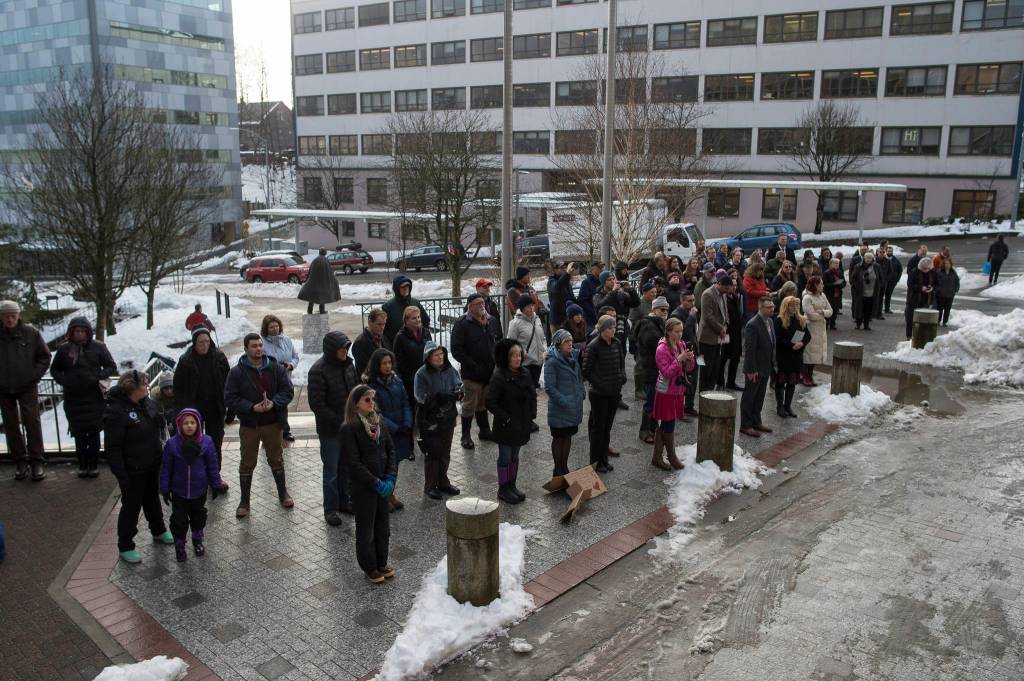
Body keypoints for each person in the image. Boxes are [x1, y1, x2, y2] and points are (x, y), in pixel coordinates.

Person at [104, 370, 174, 563]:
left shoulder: (147, 403)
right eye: (144, 384)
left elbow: (156, 424)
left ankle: (158, 530)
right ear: (132, 389)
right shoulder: (116, 412)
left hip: (152, 464)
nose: (147, 386)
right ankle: (125, 545)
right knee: (131, 507)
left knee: (152, 500)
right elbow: (113, 448)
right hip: (132, 469)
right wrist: (121, 475)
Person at [224, 333, 295, 519]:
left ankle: (283, 493)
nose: (258, 349)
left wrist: (274, 403)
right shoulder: (237, 372)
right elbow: (230, 397)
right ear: (246, 349)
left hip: (272, 423)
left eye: (260, 345)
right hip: (250, 425)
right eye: (254, 346)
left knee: (276, 459)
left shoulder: (275, 368)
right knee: (247, 462)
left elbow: (288, 391)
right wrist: (250, 407)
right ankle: (244, 501)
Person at [340, 384, 397, 585]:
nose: (371, 403)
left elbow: (391, 451)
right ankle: (369, 567)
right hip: (364, 488)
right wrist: (374, 482)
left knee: (383, 527)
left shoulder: (379, 422)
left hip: (382, 482)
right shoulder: (349, 428)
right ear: (356, 404)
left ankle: (381, 563)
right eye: (367, 399)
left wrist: (390, 477)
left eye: (372, 399)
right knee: (366, 530)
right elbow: (353, 462)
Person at [50, 316, 117, 478]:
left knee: (94, 433)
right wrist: (65, 381)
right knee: (78, 434)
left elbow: (111, 366)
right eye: (76, 331)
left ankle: (93, 465)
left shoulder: (98, 347)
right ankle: (82, 464)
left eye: (82, 331)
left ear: (87, 332)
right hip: (73, 399)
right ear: (71, 332)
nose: (79, 334)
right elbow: (55, 370)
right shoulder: (64, 349)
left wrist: (97, 377)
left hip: (94, 397)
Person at [307, 331, 360, 525]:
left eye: (347, 347)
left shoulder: (349, 365)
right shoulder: (318, 371)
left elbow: (355, 391)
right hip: (330, 430)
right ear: (332, 350)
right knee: (331, 471)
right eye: (342, 348)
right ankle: (330, 509)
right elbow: (317, 405)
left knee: (346, 467)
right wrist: (340, 421)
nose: (345, 351)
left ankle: (344, 502)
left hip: (349, 427)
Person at [159, 408, 222, 562]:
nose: (189, 426)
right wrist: (165, 488)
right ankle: (180, 545)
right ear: (179, 425)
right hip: (179, 492)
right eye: (185, 423)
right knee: (178, 521)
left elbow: (212, 465)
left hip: (198, 490)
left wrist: (215, 484)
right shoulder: (172, 444)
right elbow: (166, 468)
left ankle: (197, 540)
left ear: (198, 424)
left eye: (192, 423)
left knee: (198, 517)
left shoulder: (206, 442)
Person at [173, 326, 230, 492]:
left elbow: (228, 382)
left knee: (215, 442)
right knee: (192, 441)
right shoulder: (186, 361)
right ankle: (194, 475)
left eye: (206, 341)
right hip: (193, 407)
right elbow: (178, 388)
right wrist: (180, 411)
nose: (204, 345)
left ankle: (215, 476)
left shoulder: (219, 357)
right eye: (200, 343)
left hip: (215, 406)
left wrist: (230, 407)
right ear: (194, 343)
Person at [0, 300, 51, 481]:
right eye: (6, 316)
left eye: (13, 316)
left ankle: (36, 461)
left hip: (27, 386)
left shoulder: (31, 333)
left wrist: (33, 376)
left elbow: (45, 357)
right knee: (11, 425)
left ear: (18, 315)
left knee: (32, 422)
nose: (10, 319)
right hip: (4, 388)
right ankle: (20, 461)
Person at [486, 339, 536, 504]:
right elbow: (490, 402)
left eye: (519, 355)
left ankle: (512, 486)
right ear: (506, 357)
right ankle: (503, 489)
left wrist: (532, 414)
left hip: (521, 424)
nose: (517, 358)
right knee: (505, 458)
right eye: (513, 355)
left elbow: (532, 395)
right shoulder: (499, 376)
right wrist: (506, 417)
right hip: (506, 426)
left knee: (515, 457)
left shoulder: (525, 373)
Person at [364, 348, 411, 512]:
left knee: (393, 464)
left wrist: (407, 423)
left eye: (389, 362)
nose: (387, 366)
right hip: (383, 432)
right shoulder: (371, 384)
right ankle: (383, 497)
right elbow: (375, 411)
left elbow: (406, 403)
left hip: (399, 431)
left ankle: (390, 494)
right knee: (382, 465)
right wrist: (394, 427)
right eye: (384, 363)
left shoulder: (397, 380)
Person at [451, 293, 501, 448]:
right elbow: (456, 350)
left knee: (483, 403)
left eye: (483, 303)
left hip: (489, 372)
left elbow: (496, 341)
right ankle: (465, 436)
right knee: (469, 405)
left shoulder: (490, 321)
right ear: (470, 306)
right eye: (478, 303)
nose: (482, 306)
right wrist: (472, 365)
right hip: (472, 373)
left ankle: (484, 430)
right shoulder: (462, 324)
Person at [414, 342, 462, 500]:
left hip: (448, 417)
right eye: (436, 355)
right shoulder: (421, 374)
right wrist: (437, 397)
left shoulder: (450, 369)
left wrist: (458, 393)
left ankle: (443, 482)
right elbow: (419, 396)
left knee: (445, 452)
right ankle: (430, 486)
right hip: (430, 419)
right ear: (428, 357)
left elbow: (459, 386)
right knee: (433, 453)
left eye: (441, 354)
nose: (440, 357)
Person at [582, 316, 626, 474]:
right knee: (598, 429)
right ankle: (595, 461)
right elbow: (586, 370)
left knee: (607, 428)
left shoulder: (617, 343)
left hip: (613, 392)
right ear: (602, 330)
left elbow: (621, 363)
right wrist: (600, 384)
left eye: (614, 327)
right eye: (610, 328)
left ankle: (604, 459)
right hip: (599, 394)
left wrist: (622, 377)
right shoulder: (593, 346)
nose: (613, 330)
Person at [651, 318, 694, 471]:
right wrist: (679, 359)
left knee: (667, 424)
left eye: (681, 331)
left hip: (677, 390)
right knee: (668, 424)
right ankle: (671, 456)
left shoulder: (681, 344)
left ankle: (657, 457)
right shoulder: (661, 349)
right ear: (668, 332)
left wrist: (690, 360)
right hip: (666, 391)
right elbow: (667, 373)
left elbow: (688, 369)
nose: (680, 334)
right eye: (676, 331)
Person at [543, 330, 585, 477]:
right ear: (558, 344)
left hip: (573, 407)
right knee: (559, 438)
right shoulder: (552, 361)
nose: (570, 344)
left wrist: (581, 393)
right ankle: (557, 470)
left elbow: (579, 378)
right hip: (560, 409)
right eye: (566, 341)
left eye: (571, 340)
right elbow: (549, 387)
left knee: (568, 437)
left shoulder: (573, 357)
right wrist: (564, 401)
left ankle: (564, 467)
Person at [632, 296, 669, 443]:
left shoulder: (659, 323)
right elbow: (654, 345)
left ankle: (653, 428)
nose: (665, 312)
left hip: (656, 368)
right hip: (650, 368)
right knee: (651, 400)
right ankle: (645, 430)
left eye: (666, 309)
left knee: (656, 399)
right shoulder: (649, 325)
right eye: (662, 309)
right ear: (654, 309)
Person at [740, 298, 777, 438]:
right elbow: (749, 349)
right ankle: (745, 425)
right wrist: (751, 369)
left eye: (773, 306)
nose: (772, 309)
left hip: (766, 366)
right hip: (755, 368)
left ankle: (756, 421)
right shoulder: (753, 324)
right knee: (749, 397)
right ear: (760, 308)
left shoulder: (770, 321)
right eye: (769, 307)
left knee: (760, 396)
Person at [260, 315, 299, 442]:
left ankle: (285, 430)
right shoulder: (262, 342)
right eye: (271, 327)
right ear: (266, 328)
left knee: (282, 404)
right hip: (269, 379)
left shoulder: (286, 340)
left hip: (285, 378)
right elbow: (261, 360)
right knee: (271, 404)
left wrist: (291, 365)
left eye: (276, 326)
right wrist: (276, 367)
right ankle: (269, 431)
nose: (275, 329)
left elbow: (295, 356)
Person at [697, 276, 733, 394]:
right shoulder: (708, 294)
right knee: (705, 369)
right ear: (719, 284)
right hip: (706, 338)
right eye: (726, 288)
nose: (727, 291)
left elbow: (725, 312)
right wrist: (720, 329)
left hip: (718, 338)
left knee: (715, 368)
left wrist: (725, 325)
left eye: (729, 289)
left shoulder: (723, 294)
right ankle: (703, 394)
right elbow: (707, 316)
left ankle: (710, 393)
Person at [774, 297, 809, 418]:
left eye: (796, 305)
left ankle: (788, 406)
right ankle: (780, 406)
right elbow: (778, 339)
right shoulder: (779, 320)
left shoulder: (800, 319)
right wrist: (791, 345)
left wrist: (802, 343)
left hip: (796, 356)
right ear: (786, 306)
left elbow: (808, 336)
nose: (794, 308)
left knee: (792, 382)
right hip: (783, 355)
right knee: (781, 381)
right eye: (792, 305)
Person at [393, 306, 431, 412]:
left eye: (419, 317)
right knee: (414, 408)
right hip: (410, 380)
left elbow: (431, 352)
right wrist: (410, 376)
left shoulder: (426, 333)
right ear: (406, 320)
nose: (418, 320)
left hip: (426, 377)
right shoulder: (400, 337)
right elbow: (399, 361)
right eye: (414, 318)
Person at [506, 293, 547, 394]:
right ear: (522, 308)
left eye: (532, 305)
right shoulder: (515, 323)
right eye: (528, 306)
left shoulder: (537, 319)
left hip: (538, 361)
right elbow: (510, 343)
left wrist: (543, 351)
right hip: (525, 363)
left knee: (533, 392)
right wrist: (521, 352)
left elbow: (541, 338)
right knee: (526, 392)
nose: (531, 308)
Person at [801, 276, 832, 387]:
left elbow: (830, 311)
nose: (823, 285)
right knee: (809, 353)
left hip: (821, 328)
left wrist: (822, 312)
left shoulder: (823, 295)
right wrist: (822, 315)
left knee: (816, 353)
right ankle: (805, 376)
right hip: (811, 328)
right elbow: (811, 315)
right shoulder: (807, 298)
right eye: (821, 284)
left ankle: (809, 375)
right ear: (815, 285)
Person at [382, 276, 430, 344]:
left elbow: (426, 321)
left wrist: (423, 338)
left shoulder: (415, 302)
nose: (406, 289)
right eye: (403, 287)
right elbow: (384, 330)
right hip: (397, 345)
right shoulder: (387, 307)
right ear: (397, 289)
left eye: (408, 286)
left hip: (417, 344)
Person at [506, 266, 547, 340]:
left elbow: (539, 302)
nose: (529, 277)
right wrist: (533, 307)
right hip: (521, 325)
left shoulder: (530, 288)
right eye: (527, 274)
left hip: (535, 322)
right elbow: (518, 310)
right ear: (521, 276)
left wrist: (542, 309)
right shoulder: (513, 291)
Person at [717, 281, 744, 391]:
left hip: (736, 333)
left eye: (735, 285)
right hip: (726, 333)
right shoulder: (723, 298)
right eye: (732, 285)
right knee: (723, 359)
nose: (734, 287)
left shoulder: (735, 298)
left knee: (735, 358)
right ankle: (720, 382)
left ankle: (731, 382)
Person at [299, 248, 342, 314]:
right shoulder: (326, 261)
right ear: (324, 253)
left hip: (314, 283)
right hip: (323, 283)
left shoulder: (315, 260)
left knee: (312, 297)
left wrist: (308, 280)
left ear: (319, 252)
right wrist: (334, 280)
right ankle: (322, 310)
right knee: (322, 297)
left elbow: (310, 271)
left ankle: (309, 310)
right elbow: (330, 273)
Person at [352, 308, 392, 378]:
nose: (382, 327)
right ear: (370, 322)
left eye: (384, 324)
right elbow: (364, 370)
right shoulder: (360, 343)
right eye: (379, 324)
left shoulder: (384, 338)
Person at [850, 251, 882, 331]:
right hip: (861, 292)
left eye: (870, 258)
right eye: (867, 258)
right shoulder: (858, 266)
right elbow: (853, 278)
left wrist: (878, 286)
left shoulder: (876, 266)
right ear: (864, 258)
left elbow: (881, 278)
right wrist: (857, 287)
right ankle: (858, 324)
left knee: (868, 309)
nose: (868, 259)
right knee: (860, 309)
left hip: (872, 293)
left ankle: (866, 325)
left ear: (872, 259)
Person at [546, 261, 577, 336]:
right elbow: (557, 287)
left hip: (568, 319)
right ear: (555, 270)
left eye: (565, 267)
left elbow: (572, 298)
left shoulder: (567, 283)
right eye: (561, 268)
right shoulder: (551, 282)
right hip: (557, 320)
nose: (564, 269)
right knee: (558, 341)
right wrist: (567, 274)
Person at [149, 373, 177, 441]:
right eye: (166, 388)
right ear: (161, 389)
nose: (169, 391)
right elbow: (159, 414)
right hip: (164, 413)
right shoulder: (156, 395)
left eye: (171, 387)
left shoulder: (180, 392)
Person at [577, 261, 604, 329]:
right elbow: (582, 300)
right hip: (591, 319)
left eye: (602, 267)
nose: (602, 269)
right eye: (599, 267)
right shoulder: (586, 282)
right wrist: (594, 313)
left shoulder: (602, 281)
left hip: (602, 316)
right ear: (593, 269)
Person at [934, 257, 960, 326]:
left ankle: (945, 322)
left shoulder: (953, 272)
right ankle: (938, 321)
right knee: (940, 309)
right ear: (943, 264)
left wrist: (956, 289)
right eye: (946, 263)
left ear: (951, 264)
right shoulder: (939, 272)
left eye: (949, 263)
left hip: (950, 294)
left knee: (947, 309)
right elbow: (935, 282)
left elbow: (957, 281)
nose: (947, 265)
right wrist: (938, 289)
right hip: (941, 294)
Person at [880, 247, 903, 314]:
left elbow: (900, 270)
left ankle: (887, 309)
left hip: (892, 281)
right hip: (883, 281)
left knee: (888, 295)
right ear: (886, 251)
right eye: (889, 251)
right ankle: (878, 309)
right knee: (880, 295)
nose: (890, 252)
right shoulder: (883, 259)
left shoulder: (896, 260)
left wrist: (897, 279)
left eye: (891, 251)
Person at [823, 259, 845, 330]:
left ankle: (833, 324)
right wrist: (834, 284)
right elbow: (824, 284)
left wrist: (841, 284)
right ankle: (826, 324)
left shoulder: (840, 272)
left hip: (838, 293)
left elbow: (844, 282)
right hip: (829, 294)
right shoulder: (826, 273)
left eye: (838, 263)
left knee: (835, 309)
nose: (836, 264)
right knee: (828, 309)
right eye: (835, 263)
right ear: (831, 264)